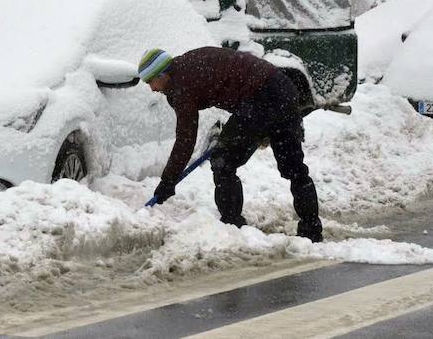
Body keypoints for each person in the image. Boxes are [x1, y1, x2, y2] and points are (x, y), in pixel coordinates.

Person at [138, 47, 323, 242]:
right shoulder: (188, 63)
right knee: (295, 168)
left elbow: (186, 139)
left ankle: (232, 226)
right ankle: (311, 230)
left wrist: (168, 180)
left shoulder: (182, 85)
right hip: (283, 87)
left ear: (163, 74)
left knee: (223, 160)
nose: (152, 88)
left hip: (259, 99)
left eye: (151, 81)